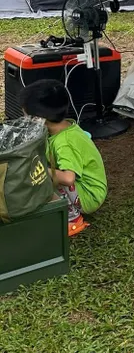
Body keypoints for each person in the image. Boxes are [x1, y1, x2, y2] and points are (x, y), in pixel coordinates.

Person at [21, 80, 107, 236]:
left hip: (89, 194)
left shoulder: (65, 142)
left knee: (39, 174)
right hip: (80, 188)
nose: (25, 119)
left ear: (39, 118)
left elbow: (68, 178)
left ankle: (73, 220)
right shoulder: (61, 128)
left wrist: (36, 169)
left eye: (26, 115)